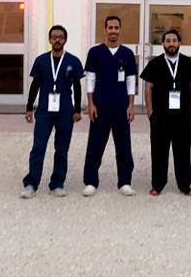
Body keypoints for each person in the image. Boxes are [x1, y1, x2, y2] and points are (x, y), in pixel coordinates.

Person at [21, 25, 84, 198]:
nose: (57, 40)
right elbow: (35, 85)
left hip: (65, 111)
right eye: (54, 37)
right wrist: (29, 108)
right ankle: (31, 183)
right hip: (44, 111)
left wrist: (77, 109)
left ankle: (57, 183)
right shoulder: (41, 60)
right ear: (49, 39)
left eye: (60, 37)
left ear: (65, 40)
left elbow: (77, 86)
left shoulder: (73, 61)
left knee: (62, 148)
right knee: (38, 146)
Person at [82, 15, 137, 197]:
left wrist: (131, 105)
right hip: (100, 107)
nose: (113, 31)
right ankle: (91, 182)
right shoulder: (95, 52)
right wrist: (90, 103)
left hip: (121, 107)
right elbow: (90, 79)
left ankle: (125, 182)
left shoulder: (127, 54)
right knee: (95, 145)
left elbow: (131, 80)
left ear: (120, 29)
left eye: (116, 27)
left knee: (123, 145)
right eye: (110, 27)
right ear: (105, 29)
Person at [140, 28, 191, 196]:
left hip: (183, 116)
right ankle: (157, 184)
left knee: (183, 151)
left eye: (174, 40)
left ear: (179, 43)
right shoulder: (155, 63)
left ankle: (184, 185)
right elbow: (148, 87)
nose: (171, 44)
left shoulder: (188, 63)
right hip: (160, 116)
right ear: (163, 44)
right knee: (159, 151)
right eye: (168, 41)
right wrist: (150, 111)